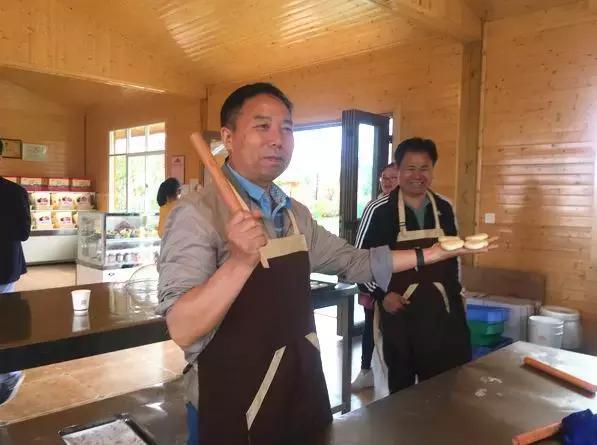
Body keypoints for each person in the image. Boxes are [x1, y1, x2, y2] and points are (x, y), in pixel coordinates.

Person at [157, 84, 486, 445]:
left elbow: (353, 260)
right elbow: (182, 326)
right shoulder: (197, 214)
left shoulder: (294, 214)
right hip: (229, 404)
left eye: (287, 128)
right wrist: (238, 263)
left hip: (298, 394)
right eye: (262, 126)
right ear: (228, 137)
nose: (278, 140)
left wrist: (431, 255)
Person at [357, 137, 472, 395]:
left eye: (425, 168)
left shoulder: (444, 207)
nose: (417, 175)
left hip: (442, 314)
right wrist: (382, 296)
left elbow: (453, 259)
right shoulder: (379, 210)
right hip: (400, 314)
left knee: (447, 389)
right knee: (401, 396)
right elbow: (359, 262)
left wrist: (458, 298)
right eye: (410, 168)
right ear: (397, 169)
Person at [351, 162, 399, 391]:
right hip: (375, 280)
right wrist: (373, 286)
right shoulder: (376, 206)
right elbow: (360, 249)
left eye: (393, 177)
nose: (387, 182)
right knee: (372, 325)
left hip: (400, 282)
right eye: (384, 178)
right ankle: (366, 371)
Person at [0, 139, 31, 406]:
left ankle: (8, 373)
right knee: (5, 321)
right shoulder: (15, 192)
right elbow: (23, 233)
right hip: (4, 266)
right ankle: (9, 374)